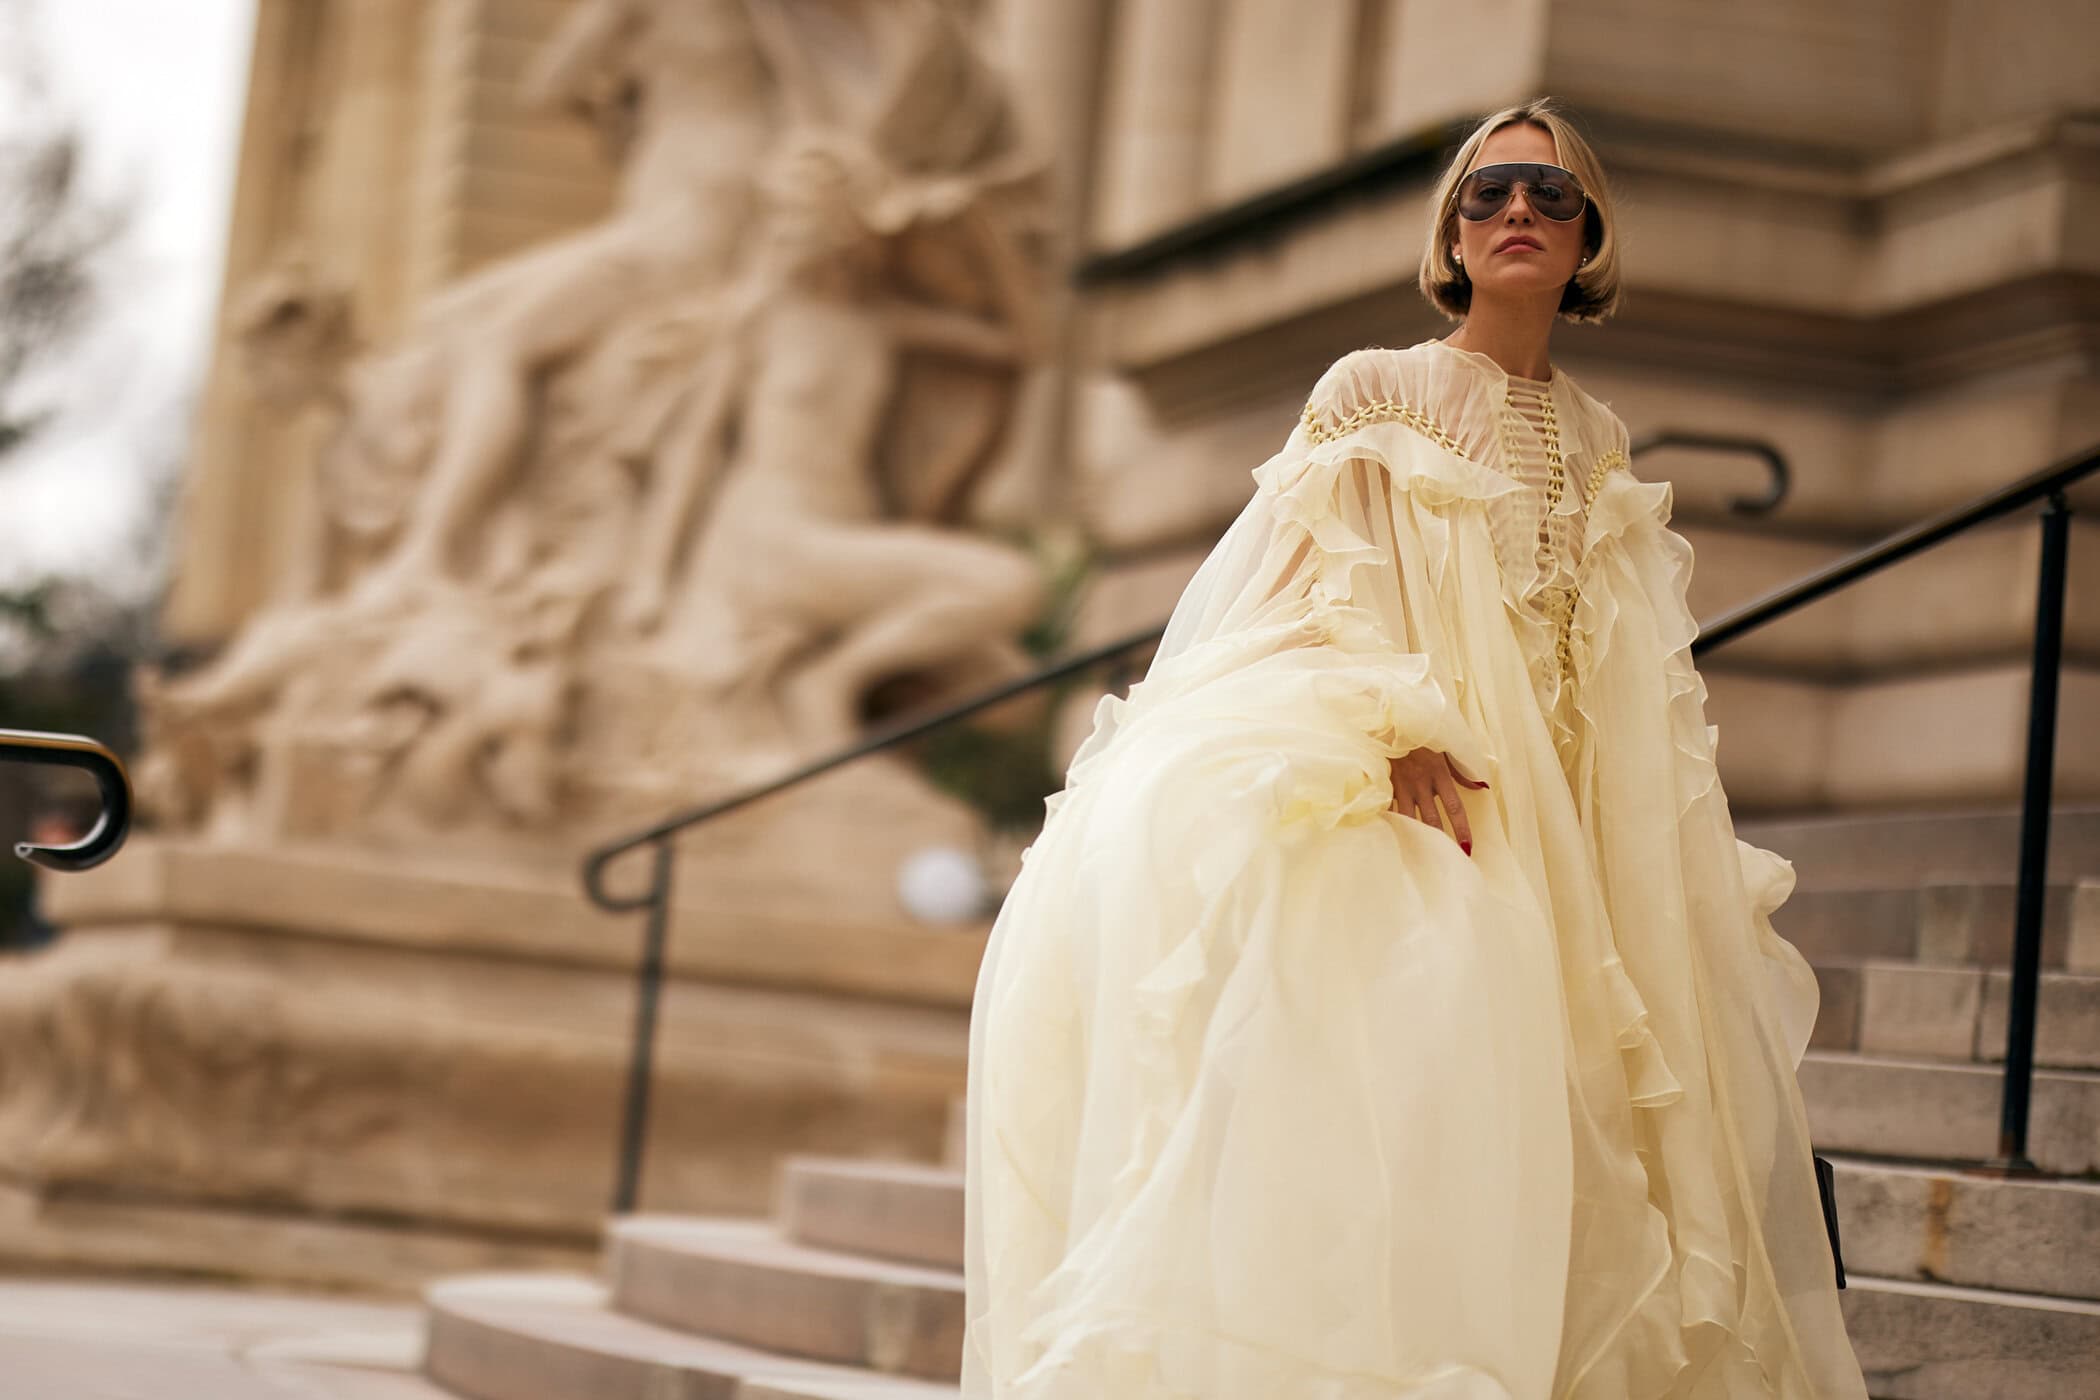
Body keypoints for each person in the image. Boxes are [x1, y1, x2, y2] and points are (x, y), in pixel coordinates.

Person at [962, 99, 1870, 1400]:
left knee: (1576, 1150)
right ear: (1451, 232)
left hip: (1571, 829)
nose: (1518, 214)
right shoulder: (1376, 387)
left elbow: (1617, 668)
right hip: (1426, 798)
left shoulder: (1603, 437)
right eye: (1489, 192)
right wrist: (1383, 732)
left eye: (1550, 198)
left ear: (1589, 238)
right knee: (1405, 1130)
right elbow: (1291, 593)